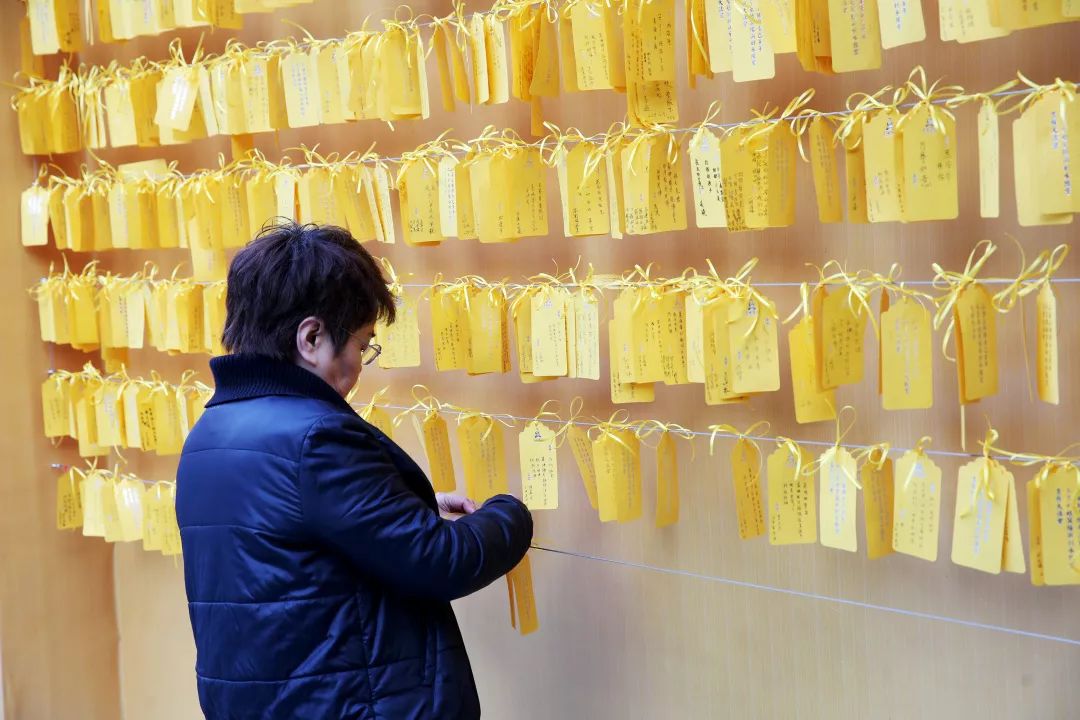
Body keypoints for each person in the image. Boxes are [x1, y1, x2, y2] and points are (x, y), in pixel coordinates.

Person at [176, 222, 534, 719]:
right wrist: (509, 513)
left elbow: (296, 539)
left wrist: (410, 508)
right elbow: (440, 561)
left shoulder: (210, 434)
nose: (362, 365)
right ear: (312, 337)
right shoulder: (316, 438)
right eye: (363, 344)